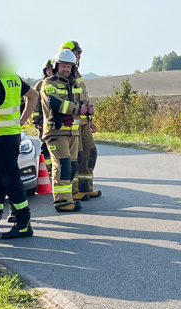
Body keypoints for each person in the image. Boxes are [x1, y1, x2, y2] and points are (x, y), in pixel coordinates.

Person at [0, 61, 39, 239]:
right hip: (12, 136)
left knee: (10, 180)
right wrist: (21, 120)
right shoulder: (13, 78)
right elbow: (33, 96)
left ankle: (23, 223)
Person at [39, 49, 84, 212]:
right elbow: (55, 103)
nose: (66, 69)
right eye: (63, 66)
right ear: (57, 66)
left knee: (72, 165)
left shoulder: (74, 84)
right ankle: (62, 202)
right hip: (55, 131)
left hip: (72, 132)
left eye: (69, 67)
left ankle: (68, 198)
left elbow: (82, 102)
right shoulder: (48, 83)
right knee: (63, 165)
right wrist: (79, 108)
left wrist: (87, 110)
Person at [60, 40, 102, 201]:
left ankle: (86, 188)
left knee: (90, 153)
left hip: (84, 121)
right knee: (75, 156)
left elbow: (81, 97)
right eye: (76, 54)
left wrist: (89, 119)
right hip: (72, 122)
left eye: (78, 54)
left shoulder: (76, 74)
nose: (78, 57)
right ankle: (74, 190)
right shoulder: (63, 74)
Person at [32, 59, 55, 195]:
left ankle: (54, 168)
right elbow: (35, 104)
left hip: (57, 122)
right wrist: (36, 119)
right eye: (47, 70)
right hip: (44, 122)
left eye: (51, 69)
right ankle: (47, 168)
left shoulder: (60, 83)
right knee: (45, 146)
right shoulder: (40, 85)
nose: (50, 72)